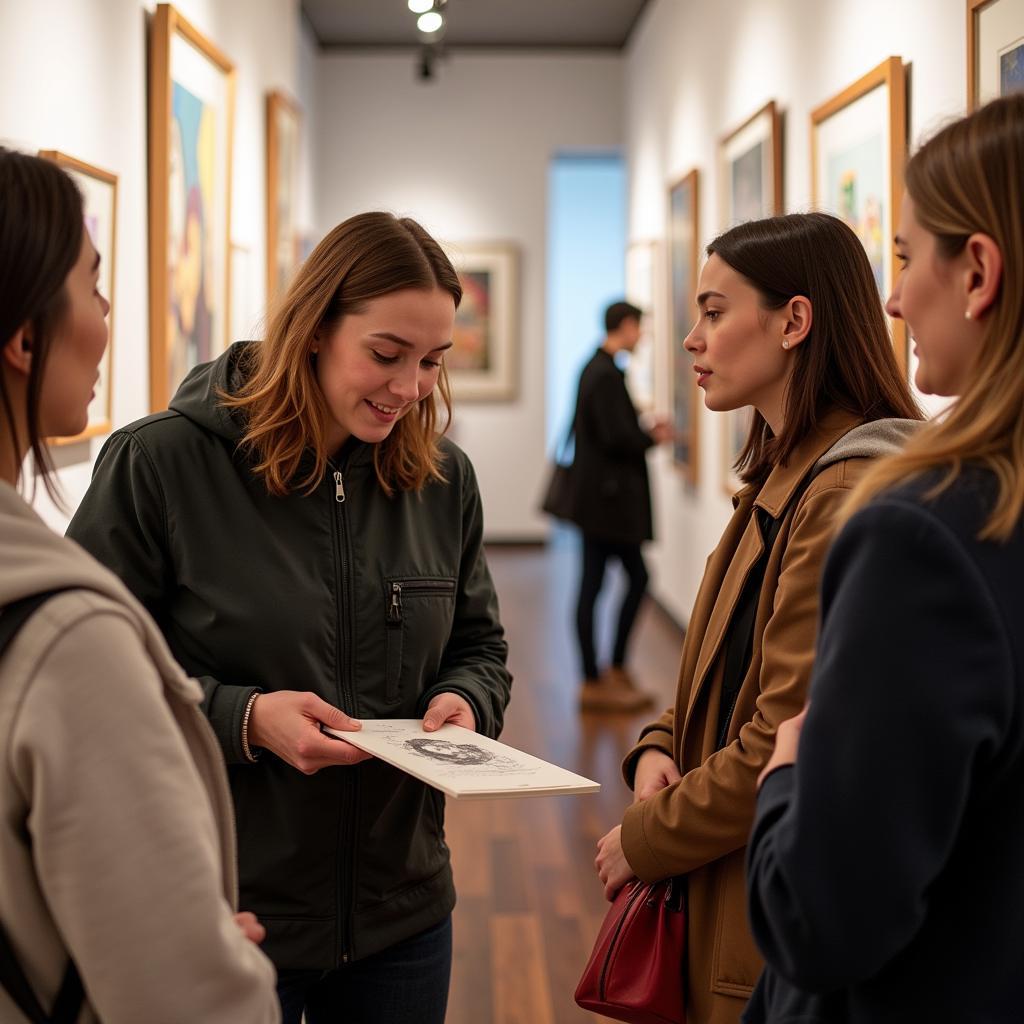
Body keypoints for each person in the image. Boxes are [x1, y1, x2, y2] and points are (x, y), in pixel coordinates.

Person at [67, 211, 512, 1024]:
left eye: (432, 361)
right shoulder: (160, 464)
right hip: (227, 905)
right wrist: (243, 719)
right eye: (386, 355)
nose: (410, 389)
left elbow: (479, 643)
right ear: (312, 330)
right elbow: (86, 682)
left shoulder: (444, 479)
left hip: (402, 912)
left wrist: (468, 702)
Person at [593, 212, 922, 1024]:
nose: (691, 340)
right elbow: (721, 670)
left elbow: (786, 739)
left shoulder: (838, 494)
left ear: (794, 321)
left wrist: (641, 840)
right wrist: (658, 745)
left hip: (761, 914)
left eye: (713, 311)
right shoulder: (785, 475)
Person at [745, 95, 1024, 1024]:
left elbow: (821, 920)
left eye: (904, 257)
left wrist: (789, 769)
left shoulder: (927, 533)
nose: (894, 297)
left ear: (978, 271)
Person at [0, 149, 279, 1022]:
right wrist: (201, 951)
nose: (109, 315)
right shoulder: (66, 636)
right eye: (94, 285)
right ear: (22, 337)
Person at [570, 299, 673, 712]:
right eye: (640, 328)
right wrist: (653, 436)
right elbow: (617, 438)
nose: (642, 336)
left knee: (597, 585)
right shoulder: (605, 374)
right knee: (629, 579)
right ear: (625, 327)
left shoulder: (597, 369)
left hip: (598, 504)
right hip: (607, 507)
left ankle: (604, 673)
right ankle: (602, 674)